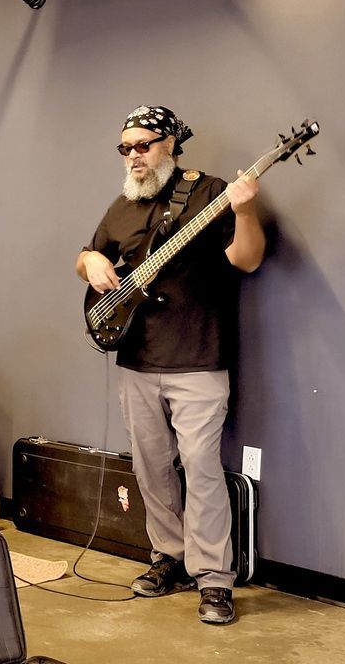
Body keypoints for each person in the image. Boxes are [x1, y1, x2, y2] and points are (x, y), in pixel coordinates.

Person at [75, 105, 265, 625]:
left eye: (143, 145)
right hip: (136, 358)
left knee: (201, 468)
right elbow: (87, 254)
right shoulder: (122, 206)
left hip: (198, 357)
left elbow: (247, 259)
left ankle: (214, 578)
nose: (133, 156)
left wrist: (246, 211)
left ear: (171, 145)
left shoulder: (210, 192)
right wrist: (90, 261)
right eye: (125, 148)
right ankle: (169, 558)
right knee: (151, 466)